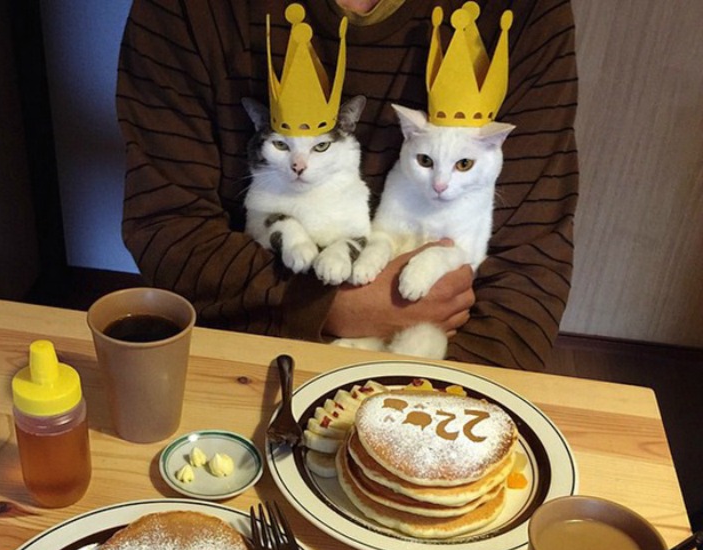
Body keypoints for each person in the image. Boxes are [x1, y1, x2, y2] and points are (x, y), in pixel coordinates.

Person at [116, 0, 578, 370]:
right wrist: (329, 306)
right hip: (246, 358)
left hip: (443, 372)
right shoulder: (187, 12)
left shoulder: (527, 13)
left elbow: (529, 276)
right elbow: (167, 231)